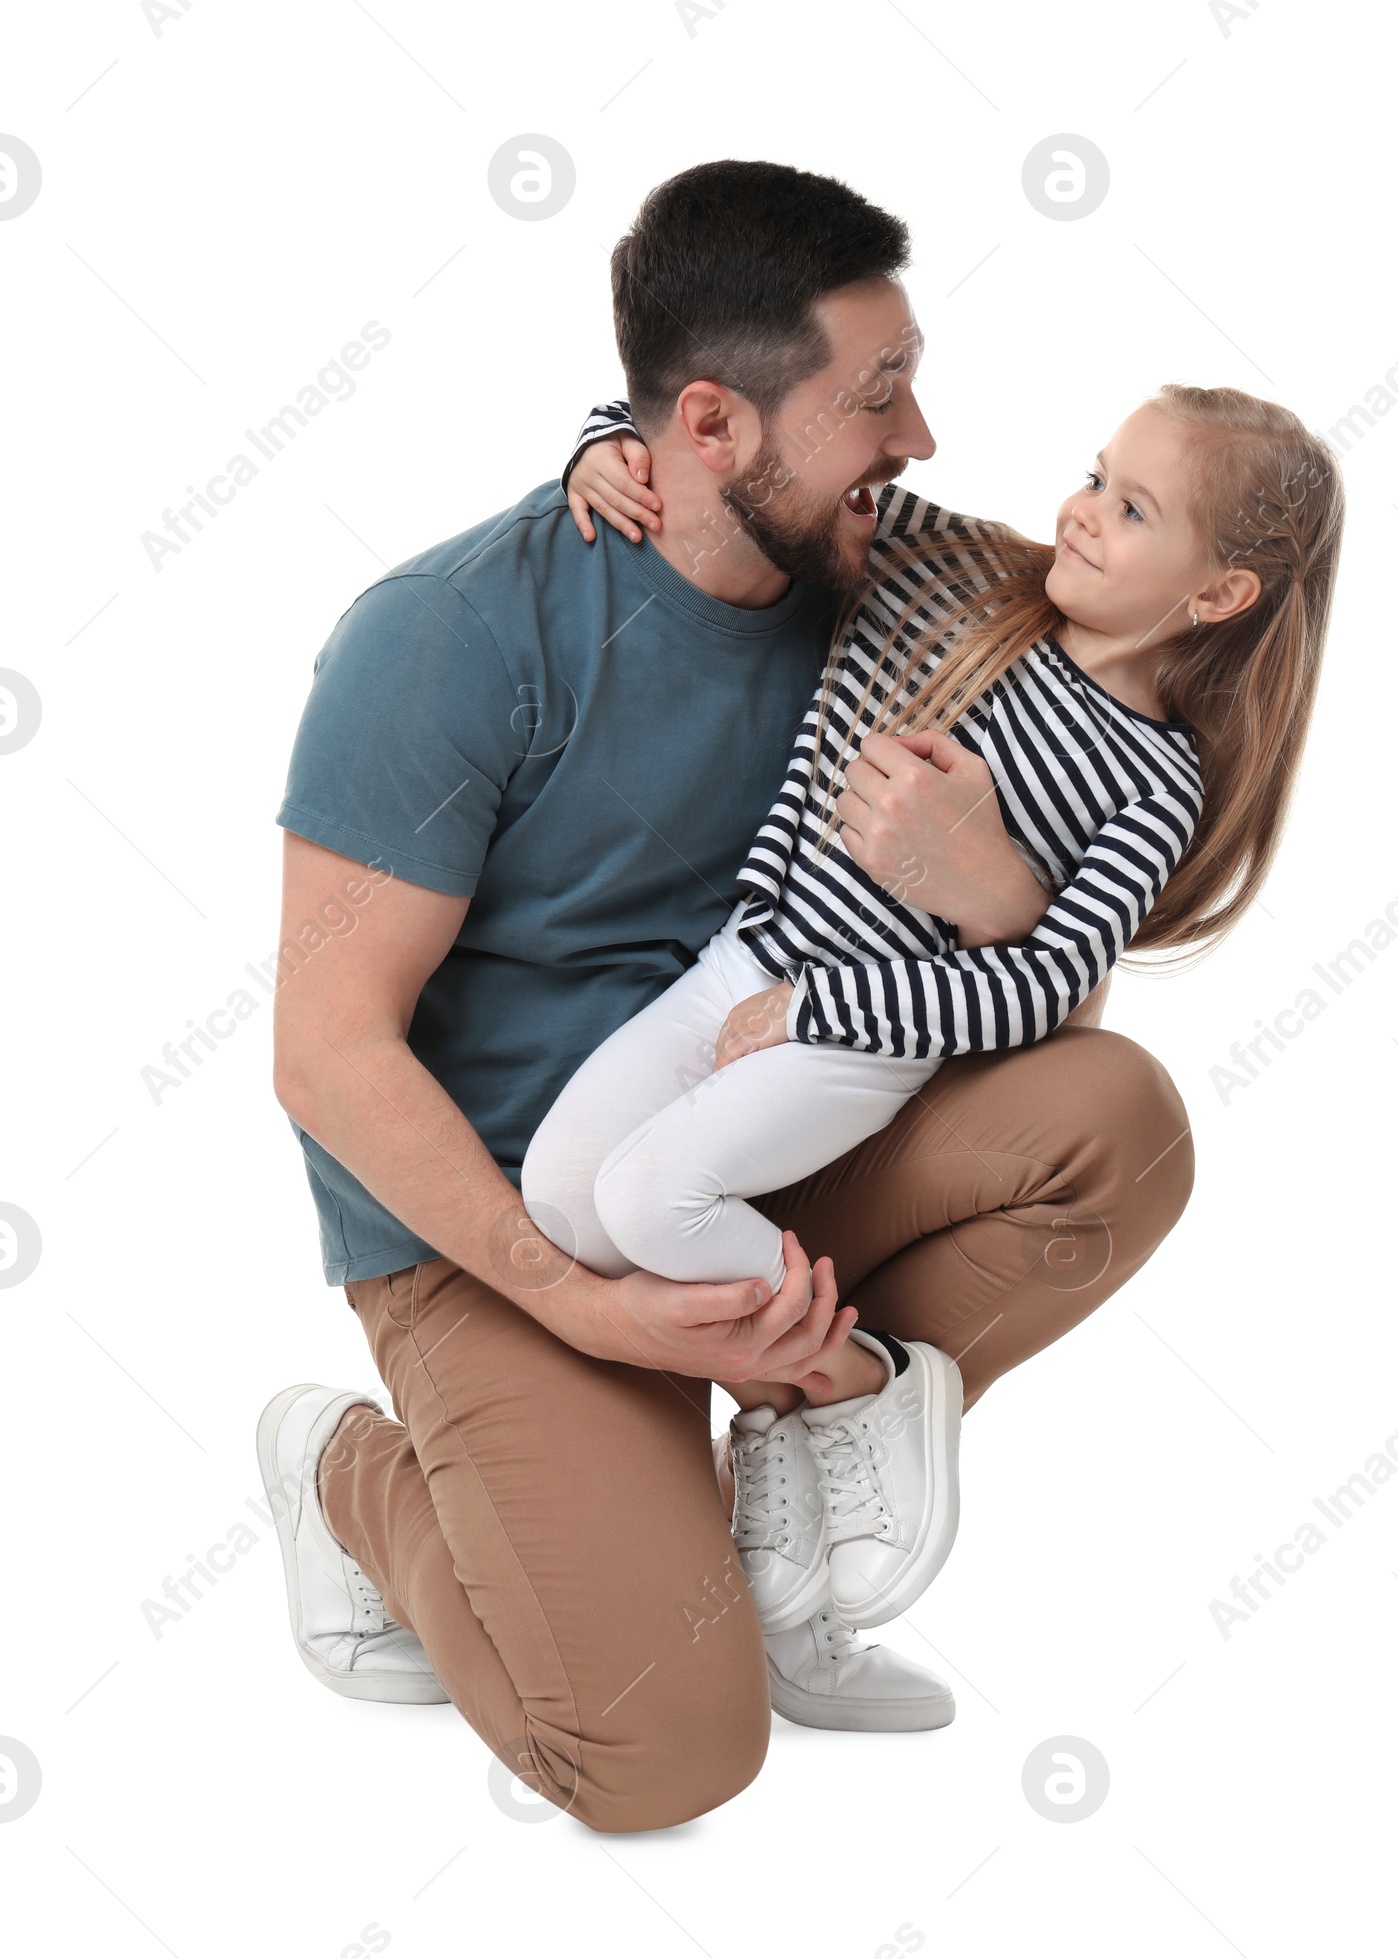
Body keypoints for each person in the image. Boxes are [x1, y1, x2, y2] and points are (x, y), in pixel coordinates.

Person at [259, 159, 1208, 1835]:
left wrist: (990, 884)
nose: (918, 441)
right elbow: (327, 1058)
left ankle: (792, 1460)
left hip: (759, 1122)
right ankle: (354, 1486)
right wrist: (577, 1305)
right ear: (709, 428)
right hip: (495, 1218)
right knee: (662, 1758)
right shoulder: (447, 639)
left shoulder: (898, 579)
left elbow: (1122, 790)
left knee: (1114, 1123)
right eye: (879, 399)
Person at [529, 375, 1342, 1691]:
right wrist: (611, 444)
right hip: (744, 962)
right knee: (567, 1201)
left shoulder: (1155, 777)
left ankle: (852, 1382)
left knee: (651, 1196)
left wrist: (814, 1011)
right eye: (1095, 475)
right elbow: (754, 454)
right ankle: (783, 1416)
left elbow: (1037, 989)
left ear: (1219, 594)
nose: (1082, 514)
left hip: (860, 1034)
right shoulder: (947, 567)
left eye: (1134, 510)